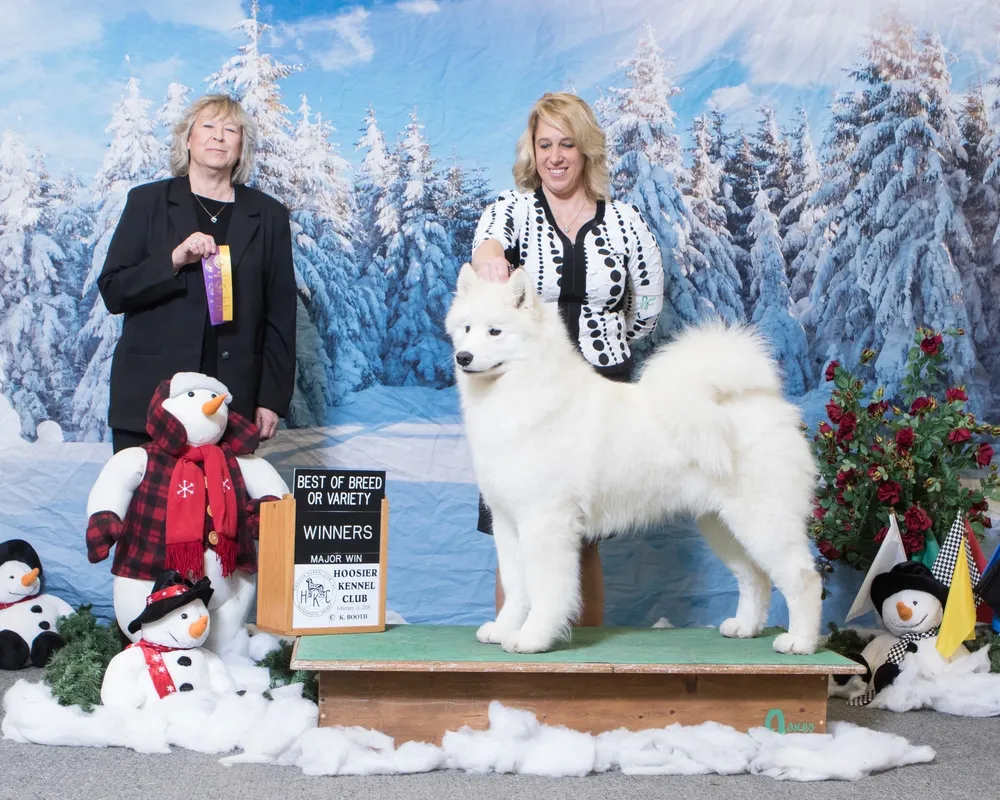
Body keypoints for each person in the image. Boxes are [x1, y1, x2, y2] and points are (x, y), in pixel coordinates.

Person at [469, 91, 665, 625]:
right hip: (521, 392)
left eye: (567, 144)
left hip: (599, 389)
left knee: (582, 534)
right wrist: (490, 261)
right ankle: (517, 654)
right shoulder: (510, 211)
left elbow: (646, 305)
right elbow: (487, 248)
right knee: (514, 525)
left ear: (586, 151)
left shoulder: (626, 221)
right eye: (544, 144)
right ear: (531, 152)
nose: (555, 156)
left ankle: (582, 668)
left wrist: (611, 342)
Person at [98, 93, 297, 454]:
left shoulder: (268, 215)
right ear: (188, 139)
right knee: (146, 510)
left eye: (230, 129)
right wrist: (173, 260)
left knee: (221, 511)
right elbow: (114, 290)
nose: (218, 136)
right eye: (208, 126)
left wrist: (271, 398)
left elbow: (281, 315)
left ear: (241, 147)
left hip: (229, 403)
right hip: (151, 398)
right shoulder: (147, 202)